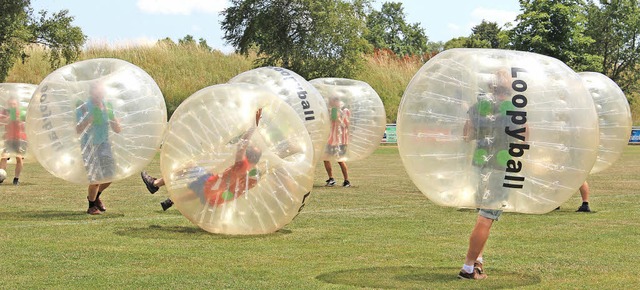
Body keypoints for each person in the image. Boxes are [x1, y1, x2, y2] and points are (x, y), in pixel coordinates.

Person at [458, 69, 521, 280]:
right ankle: (468, 268)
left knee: (481, 218)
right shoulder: (515, 108)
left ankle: (477, 262)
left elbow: (467, 136)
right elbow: (523, 138)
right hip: (500, 168)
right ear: (510, 87)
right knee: (486, 218)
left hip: (480, 166)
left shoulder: (478, 107)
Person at [142, 109, 262, 210]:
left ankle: (155, 184)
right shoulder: (251, 173)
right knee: (203, 191)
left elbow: (242, 143)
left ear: (248, 154)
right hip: (216, 200)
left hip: (210, 186)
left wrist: (253, 127)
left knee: (190, 166)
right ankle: (172, 201)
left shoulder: (242, 164)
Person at [76, 83, 122, 215]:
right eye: (97, 93)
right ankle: (91, 207)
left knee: (110, 176)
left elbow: (117, 130)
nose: (100, 96)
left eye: (102, 93)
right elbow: (78, 130)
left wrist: (113, 118)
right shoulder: (84, 108)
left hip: (105, 145)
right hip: (89, 146)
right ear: (92, 93)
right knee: (95, 178)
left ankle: (95, 197)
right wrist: (88, 119)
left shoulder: (107, 106)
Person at [324, 97, 351, 187]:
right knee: (332, 159)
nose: (329, 102)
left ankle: (335, 179)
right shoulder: (345, 111)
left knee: (337, 159)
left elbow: (334, 120)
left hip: (334, 141)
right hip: (341, 141)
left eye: (331, 100)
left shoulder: (334, 110)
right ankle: (345, 180)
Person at [0, 97, 27, 185]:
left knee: (19, 158)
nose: (12, 106)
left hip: (20, 139)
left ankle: (16, 179)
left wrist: (18, 120)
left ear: (17, 105)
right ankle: (1, 176)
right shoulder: (5, 112)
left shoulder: (22, 112)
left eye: (14, 104)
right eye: (10, 104)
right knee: (4, 157)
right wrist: (8, 119)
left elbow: (27, 124)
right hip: (9, 138)